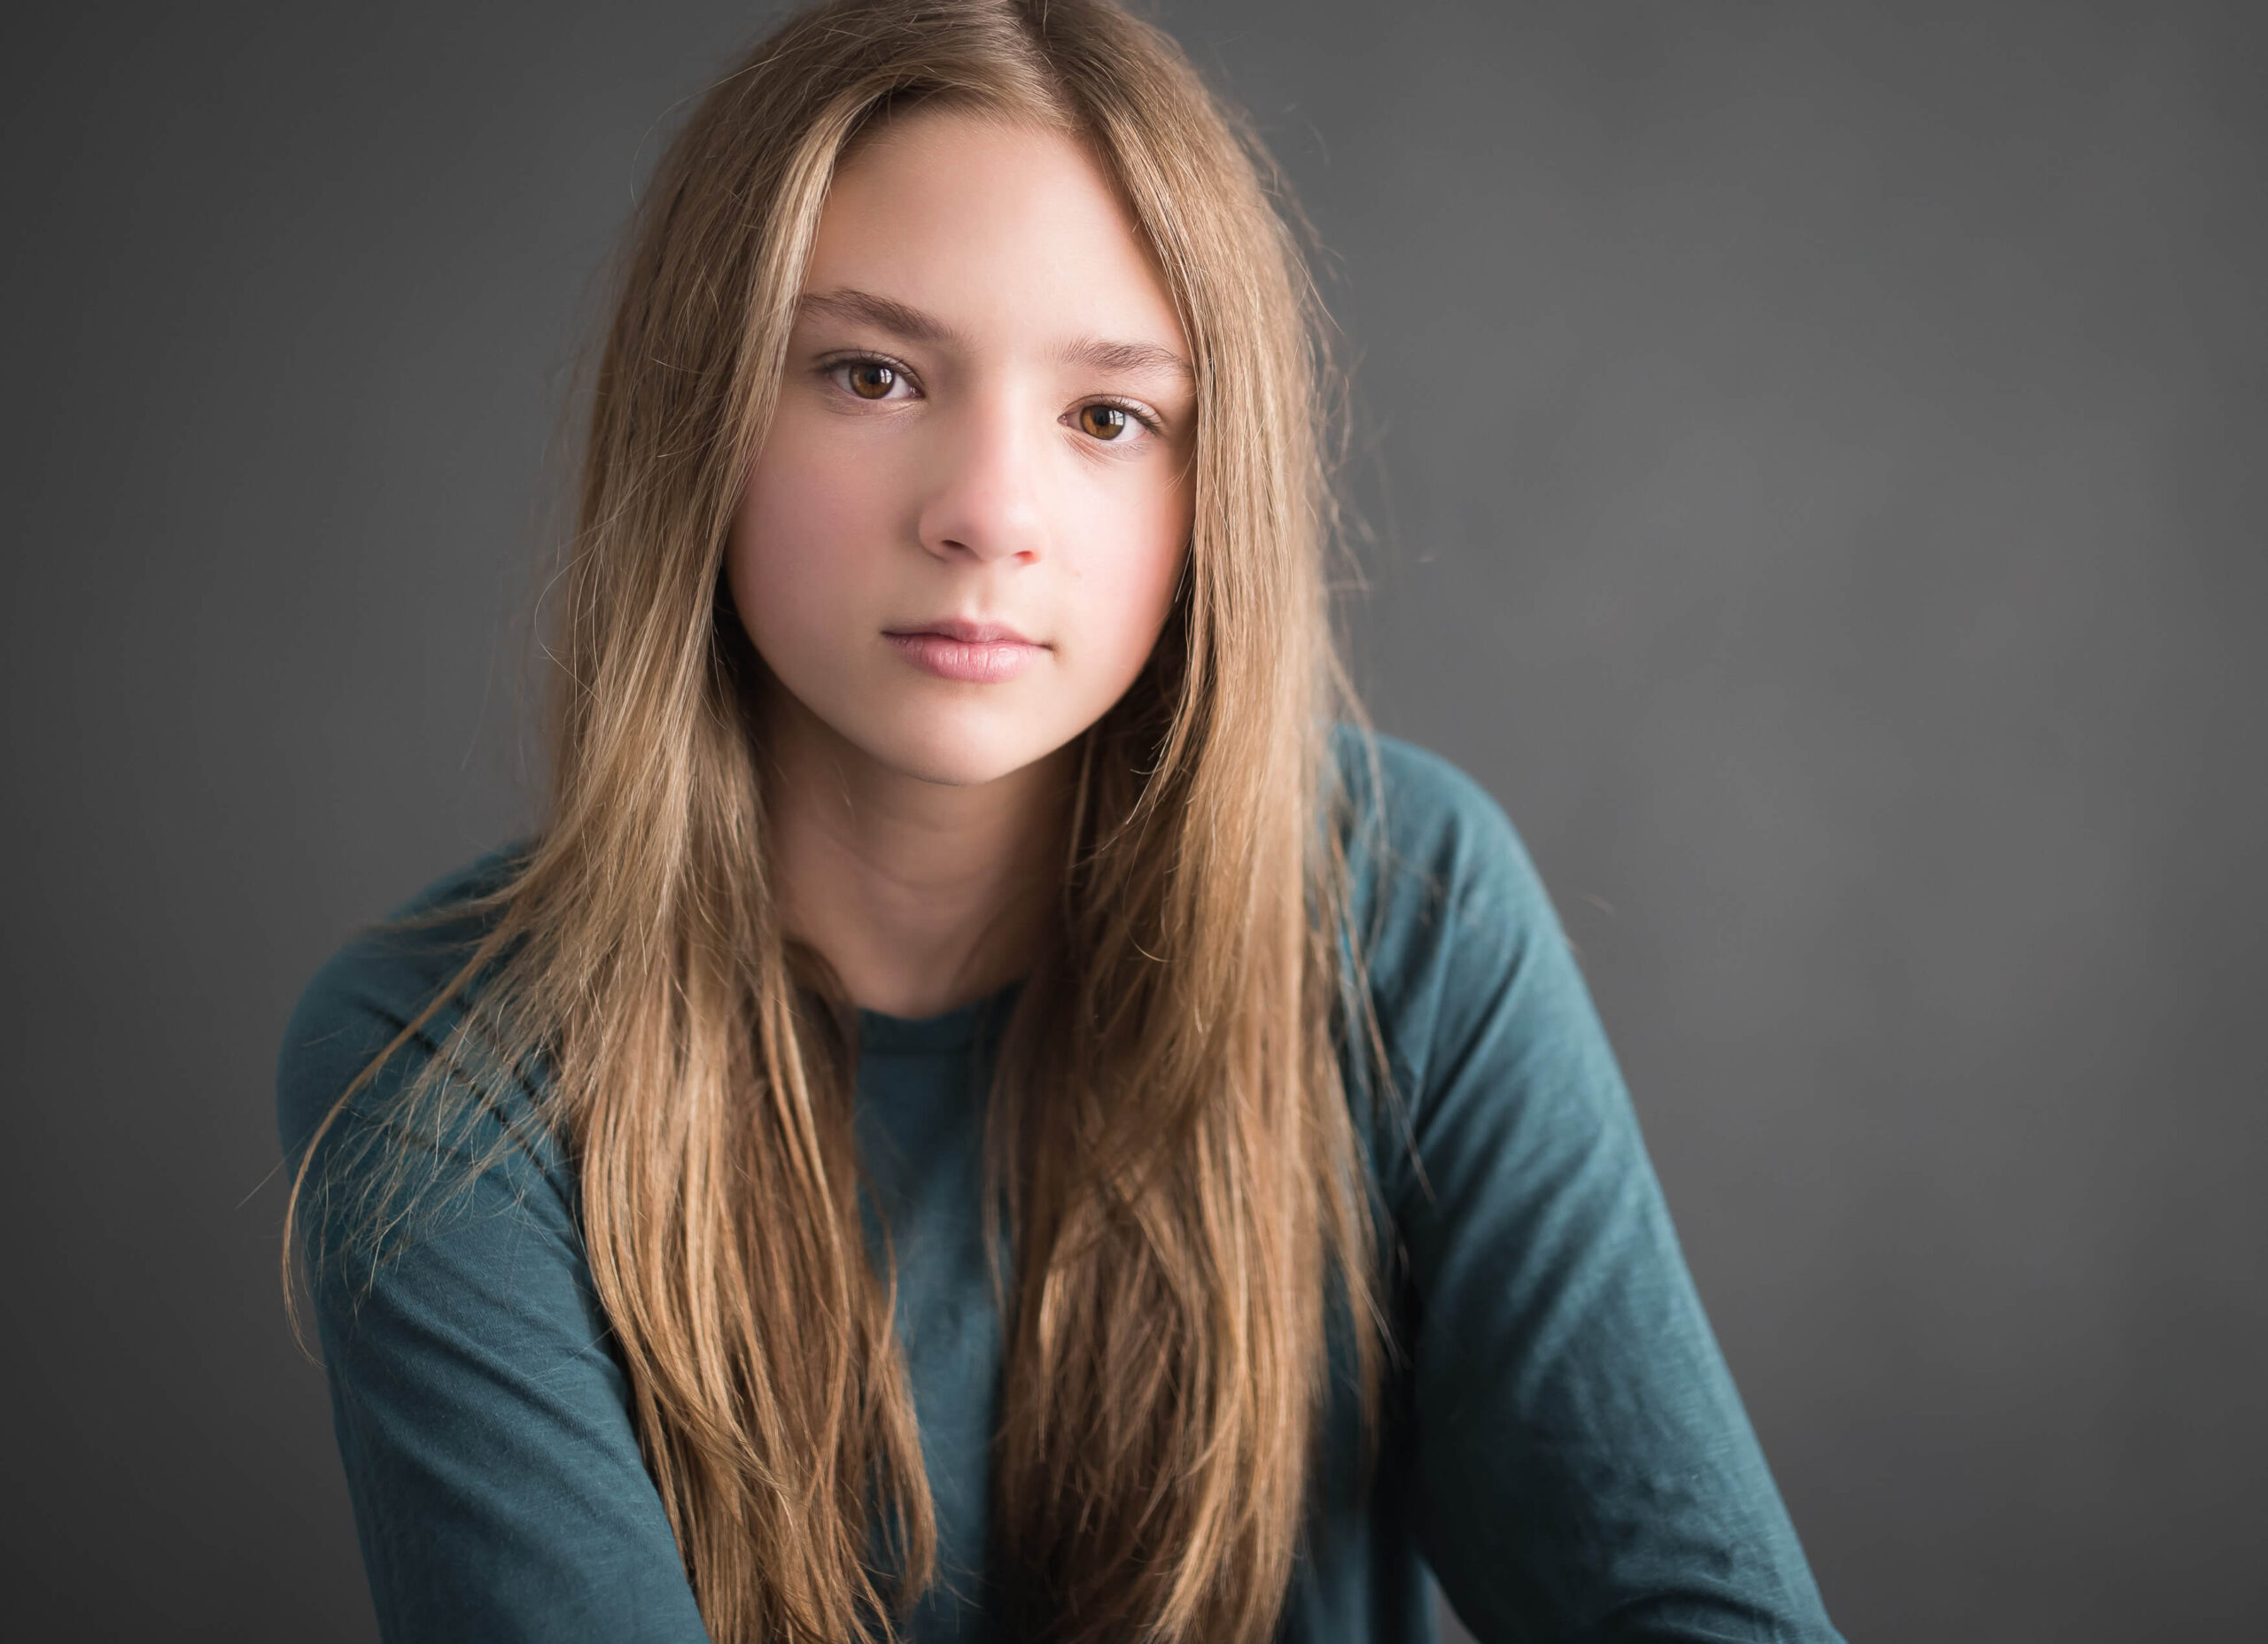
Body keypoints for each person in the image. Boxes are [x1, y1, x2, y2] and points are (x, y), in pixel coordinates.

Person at [276, 2, 1844, 1640]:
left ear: (1204, 489)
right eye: (872, 374)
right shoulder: (440, 1066)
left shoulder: (1398, 906)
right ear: (704, 417)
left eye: (1109, 418)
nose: (989, 514)